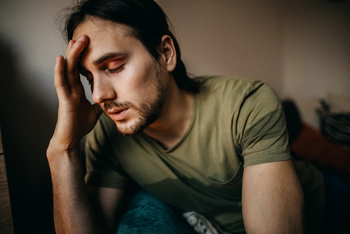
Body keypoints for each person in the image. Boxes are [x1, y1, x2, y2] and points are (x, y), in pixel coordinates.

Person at [47, 0, 325, 233]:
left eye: (115, 67)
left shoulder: (247, 104)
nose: (98, 95)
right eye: (88, 78)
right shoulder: (107, 134)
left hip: (325, 209)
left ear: (166, 53)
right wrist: (62, 150)